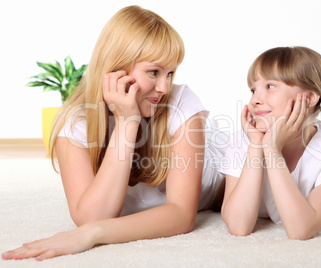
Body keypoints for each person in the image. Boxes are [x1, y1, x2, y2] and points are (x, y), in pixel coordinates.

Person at [2, 5, 225, 261]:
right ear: (116, 69)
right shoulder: (75, 123)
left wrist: (95, 233)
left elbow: (181, 214)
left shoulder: (182, 102)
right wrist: (127, 122)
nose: (164, 86)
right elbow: (91, 216)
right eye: (154, 72)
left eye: (170, 73)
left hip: (227, 178)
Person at [219, 46, 321, 240]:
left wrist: (273, 149)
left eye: (270, 86)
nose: (255, 99)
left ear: (309, 98)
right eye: (253, 89)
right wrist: (256, 146)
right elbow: (238, 227)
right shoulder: (244, 139)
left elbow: (300, 229)